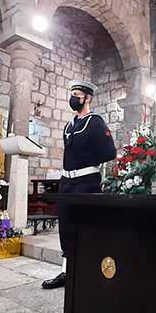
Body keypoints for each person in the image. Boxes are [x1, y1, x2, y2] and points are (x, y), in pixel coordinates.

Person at [42, 80, 117, 289]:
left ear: (87, 98)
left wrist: (87, 158)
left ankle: (88, 270)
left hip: (86, 181)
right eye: (72, 93)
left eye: (77, 94)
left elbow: (110, 152)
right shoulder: (69, 124)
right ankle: (67, 272)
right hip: (67, 181)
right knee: (66, 227)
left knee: (86, 226)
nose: (73, 97)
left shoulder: (95, 122)